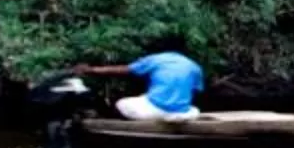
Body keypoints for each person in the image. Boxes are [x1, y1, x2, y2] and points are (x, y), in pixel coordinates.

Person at [74, 48, 205, 121]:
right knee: (194, 110)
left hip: (154, 111)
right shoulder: (194, 66)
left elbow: (124, 70)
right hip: (181, 114)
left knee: (121, 104)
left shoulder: (156, 59)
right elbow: (196, 92)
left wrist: (92, 70)